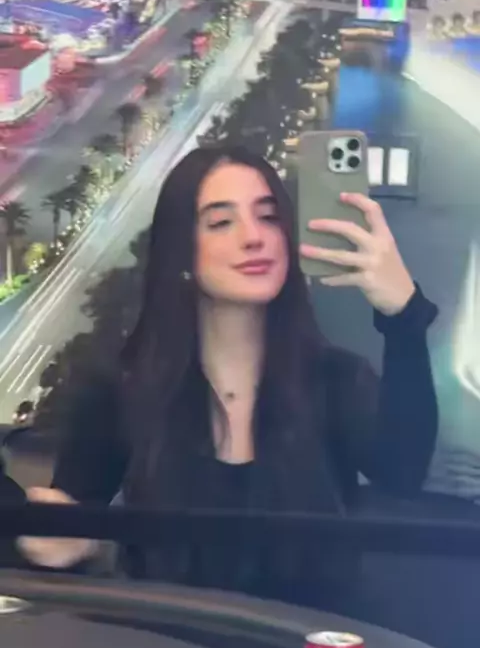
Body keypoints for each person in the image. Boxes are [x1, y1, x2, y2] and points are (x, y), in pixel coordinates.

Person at [20, 145, 438, 610]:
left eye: (268, 217)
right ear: (181, 250)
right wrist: (74, 545)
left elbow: (404, 474)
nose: (254, 237)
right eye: (221, 222)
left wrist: (403, 316)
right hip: (162, 646)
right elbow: (67, 535)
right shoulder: (121, 387)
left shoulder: (335, 380)